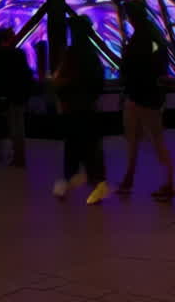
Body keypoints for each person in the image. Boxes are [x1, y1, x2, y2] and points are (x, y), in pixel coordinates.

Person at [117, 0, 174, 200]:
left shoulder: (143, 36)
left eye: (128, 14)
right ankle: (132, 178)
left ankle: (162, 182)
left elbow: (137, 65)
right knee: (151, 139)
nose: (127, 18)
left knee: (140, 139)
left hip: (140, 94)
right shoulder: (152, 34)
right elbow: (158, 62)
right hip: (147, 94)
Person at [52, 14, 109, 205]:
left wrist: (61, 89)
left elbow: (61, 81)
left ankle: (70, 181)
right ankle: (96, 183)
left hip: (73, 110)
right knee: (91, 147)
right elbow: (98, 83)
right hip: (88, 109)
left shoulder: (71, 54)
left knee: (73, 147)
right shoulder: (91, 55)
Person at [0, 28, 33, 168]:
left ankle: (17, 156)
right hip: (20, 93)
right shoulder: (19, 53)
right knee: (19, 125)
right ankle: (19, 156)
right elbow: (26, 73)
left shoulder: (2, 54)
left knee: (14, 125)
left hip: (10, 94)